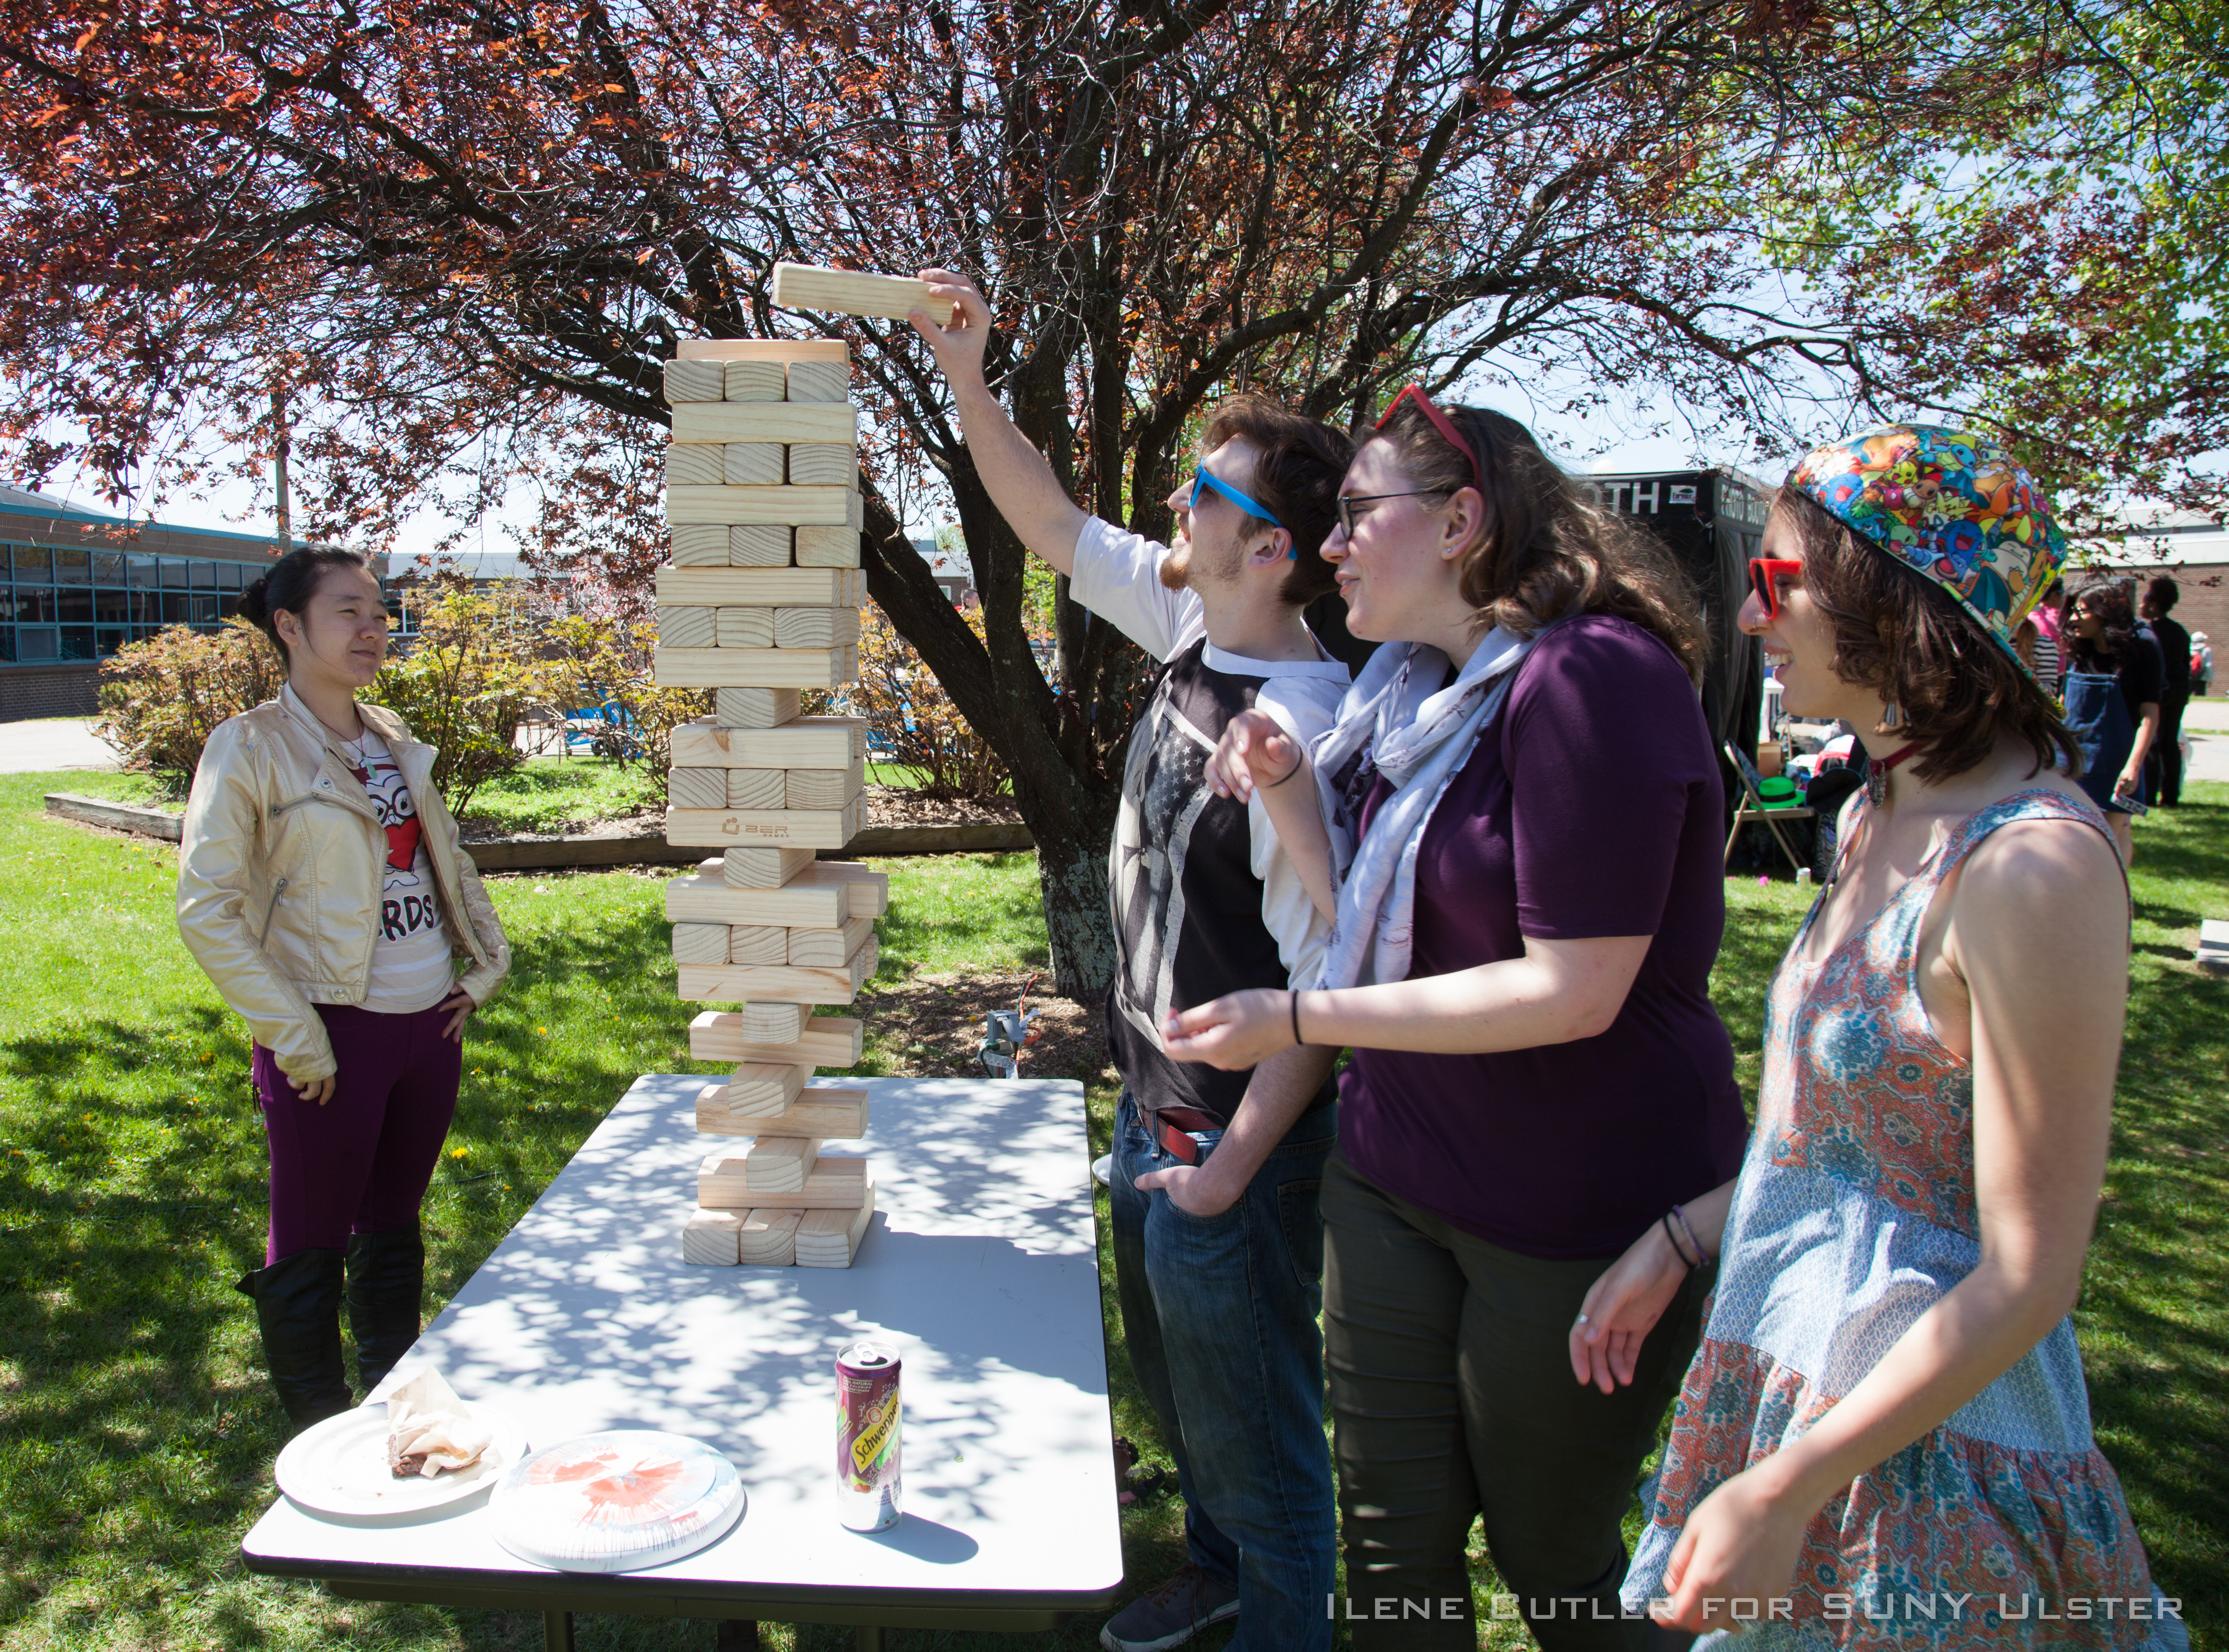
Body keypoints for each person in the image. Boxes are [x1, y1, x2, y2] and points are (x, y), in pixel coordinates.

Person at [1570, 425, 2184, 1648]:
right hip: (1796, 1384)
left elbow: (2026, 1274)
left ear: (1897, 600)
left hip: (1917, 1455)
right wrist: (1683, 1233)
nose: (1747, 617)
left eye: (1774, 581)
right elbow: (1849, 1136)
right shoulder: (1877, 810)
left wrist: (1788, 1486)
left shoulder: (2030, 867)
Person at [1167, 385, 1747, 1650]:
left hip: (1574, 1208)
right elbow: (1370, 917)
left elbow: (1570, 986)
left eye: (1356, 513)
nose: (1327, 544)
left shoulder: (1589, 678)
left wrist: (1299, 1012)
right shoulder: (1406, 694)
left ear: (1460, 521)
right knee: (1388, 1556)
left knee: (1556, 1570)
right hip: (1390, 1175)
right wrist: (1285, 791)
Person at [910, 274, 1353, 1652]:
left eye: (1205, 500)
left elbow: (1325, 984)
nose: (1177, 512)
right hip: (1148, 1097)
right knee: (1185, 1390)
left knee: (1262, 1427)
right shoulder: (1190, 627)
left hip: (1240, 1135)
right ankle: (1215, 1569)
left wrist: (1228, 1165)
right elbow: (1045, 518)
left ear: (1273, 548)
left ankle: (1278, 1613)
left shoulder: (1308, 727)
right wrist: (967, 374)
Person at [177, 546, 510, 1432]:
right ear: (288, 626)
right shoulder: (248, 745)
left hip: (427, 1027)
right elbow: (206, 910)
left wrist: (483, 967)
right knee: (312, 1237)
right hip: (329, 1033)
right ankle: (323, 1436)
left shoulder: (393, 735)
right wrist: (295, 1034)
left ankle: (395, 1407)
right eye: (347, 611)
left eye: (379, 610)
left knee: (393, 1225)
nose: (373, 629)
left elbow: (450, 859)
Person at [2064, 579, 2163, 865]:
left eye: (2082, 612)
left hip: (2116, 760)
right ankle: (2120, 903)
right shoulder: (2079, 650)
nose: (2073, 619)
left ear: (2103, 613)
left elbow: (2150, 715)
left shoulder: (2143, 649)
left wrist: (2133, 766)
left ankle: (2109, 902)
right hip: (2075, 757)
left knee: (2104, 840)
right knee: (2085, 836)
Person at [2140, 576, 2191, 807]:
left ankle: (2149, 795)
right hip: (2179, 689)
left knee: (2152, 741)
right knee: (2170, 742)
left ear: (2152, 601)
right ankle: (2171, 797)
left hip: (2159, 689)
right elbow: (2186, 662)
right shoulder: (2179, 631)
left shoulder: (2148, 632)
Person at [2193, 629, 2214, 698]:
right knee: (2200, 697)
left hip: (2190, 677)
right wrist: (2210, 679)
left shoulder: (2190, 649)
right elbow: (2209, 665)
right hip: (2201, 677)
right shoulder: (2206, 650)